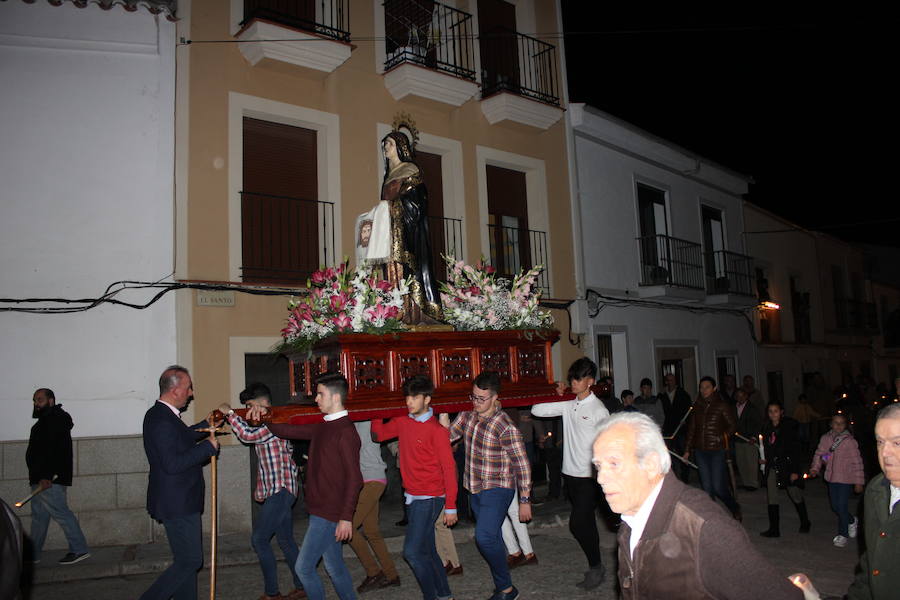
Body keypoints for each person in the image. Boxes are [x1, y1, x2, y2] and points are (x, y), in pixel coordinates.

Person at [591, 412, 803, 600]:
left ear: (651, 464)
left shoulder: (704, 528)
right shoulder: (630, 520)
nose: (600, 478)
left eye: (614, 464)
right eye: (598, 466)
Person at [267, 373, 362, 600]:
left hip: (329, 513)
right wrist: (264, 417)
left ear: (336, 396)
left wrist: (346, 517)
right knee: (334, 567)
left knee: (304, 568)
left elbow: (354, 478)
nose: (316, 399)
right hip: (320, 509)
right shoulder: (324, 426)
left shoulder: (346, 432)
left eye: (320, 394)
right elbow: (286, 431)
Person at [442, 372, 531, 600]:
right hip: (474, 487)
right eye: (473, 397)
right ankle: (504, 580)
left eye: (481, 398)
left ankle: (507, 589)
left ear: (495, 398)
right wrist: (442, 415)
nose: (476, 402)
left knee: (483, 537)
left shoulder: (505, 426)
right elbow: (447, 437)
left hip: (498, 487)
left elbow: (522, 466)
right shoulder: (468, 416)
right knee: (491, 537)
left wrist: (524, 501)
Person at [371, 375, 457, 600]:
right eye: (407, 396)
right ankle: (445, 595)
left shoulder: (437, 430)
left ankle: (432, 596)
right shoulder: (402, 421)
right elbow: (377, 434)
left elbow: (449, 469)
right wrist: (377, 409)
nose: (409, 401)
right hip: (413, 496)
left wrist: (451, 506)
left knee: (412, 552)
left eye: (415, 397)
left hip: (430, 497)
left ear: (427, 399)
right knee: (427, 550)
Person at [217, 383, 305, 600]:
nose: (247, 409)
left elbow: (247, 436)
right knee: (285, 541)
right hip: (279, 489)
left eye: (249, 405)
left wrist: (229, 413)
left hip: (281, 489)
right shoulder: (266, 422)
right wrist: (261, 490)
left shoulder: (273, 421)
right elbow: (263, 456)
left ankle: (272, 593)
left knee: (259, 539)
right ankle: (302, 586)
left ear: (260, 403)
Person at [531, 358, 609, 590]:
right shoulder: (568, 403)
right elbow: (537, 410)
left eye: (578, 378)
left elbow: (607, 441)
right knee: (586, 522)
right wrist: (557, 393)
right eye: (572, 378)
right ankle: (597, 565)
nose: (573, 382)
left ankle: (596, 566)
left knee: (577, 523)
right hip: (570, 474)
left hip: (589, 476)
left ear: (590, 381)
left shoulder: (598, 409)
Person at [141, 366, 219, 600]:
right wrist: (208, 448)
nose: (192, 393)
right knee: (191, 560)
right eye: (188, 388)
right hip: (177, 501)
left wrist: (205, 425)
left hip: (179, 499)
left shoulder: (162, 415)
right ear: (175, 390)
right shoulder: (161, 420)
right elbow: (172, 463)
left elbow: (181, 437)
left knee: (185, 560)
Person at [357, 127, 442, 323]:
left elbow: (418, 201)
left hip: (406, 231)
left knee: (407, 268)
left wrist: (394, 207)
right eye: (385, 144)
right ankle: (396, 311)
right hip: (389, 230)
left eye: (390, 144)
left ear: (400, 147)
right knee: (391, 268)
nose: (385, 147)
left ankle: (413, 312)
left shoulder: (410, 170)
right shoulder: (389, 175)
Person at [25, 388, 90, 566]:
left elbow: (53, 452)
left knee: (61, 513)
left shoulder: (54, 421)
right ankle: (33, 553)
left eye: (39, 400)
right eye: (34, 400)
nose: (36, 404)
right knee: (39, 517)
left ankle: (79, 548)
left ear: (51, 401)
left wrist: (46, 476)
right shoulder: (46, 422)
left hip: (48, 480)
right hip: (41, 478)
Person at [847, 403, 900, 599]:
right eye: (880, 442)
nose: (885, 453)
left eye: (897, 443)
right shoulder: (876, 490)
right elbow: (871, 562)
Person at [347, 419, 401, 594]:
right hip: (370, 479)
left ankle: (374, 572)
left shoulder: (365, 419)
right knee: (371, 531)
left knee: (348, 528)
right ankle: (392, 575)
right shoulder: (356, 420)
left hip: (372, 480)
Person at [683, 376, 742, 520]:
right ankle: (714, 519)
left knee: (718, 487)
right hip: (700, 451)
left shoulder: (721, 405)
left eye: (707, 387)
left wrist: (721, 437)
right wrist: (687, 450)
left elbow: (733, 426)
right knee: (707, 488)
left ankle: (734, 507)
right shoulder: (696, 406)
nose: (704, 390)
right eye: (701, 387)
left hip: (717, 450)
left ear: (714, 388)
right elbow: (692, 429)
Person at [808, 412, 865, 547]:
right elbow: (821, 454)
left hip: (846, 478)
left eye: (841, 423)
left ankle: (842, 534)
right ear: (830, 424)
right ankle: (851, 520)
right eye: (835, 423)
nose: (838, 426)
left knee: (841, 506)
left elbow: (857, 462)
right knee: (835, 506)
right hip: (832, 478)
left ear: (846, 425)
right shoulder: (825, 439)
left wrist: (859, 482)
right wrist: (815, 468)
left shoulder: (849, 441)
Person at [759, 401, 811, 537]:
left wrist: (794, 470)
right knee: (772, 496)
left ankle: (805, 521)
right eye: (770, 411)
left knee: (794, 493)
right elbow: (766, 447)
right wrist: (764, 459)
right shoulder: (767, 428)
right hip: (772, 466)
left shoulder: (788, 428)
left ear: (781, 412)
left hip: (786, 466)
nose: (773, 414)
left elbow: (795, 450)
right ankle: (774, 529)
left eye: (775, 411)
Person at [659, 374, 693, 483]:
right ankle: (673, 479)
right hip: (668, 431)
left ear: (675, 381)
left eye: (672, 380)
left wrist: (685, 422)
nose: (670, 382)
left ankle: (685, 478)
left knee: (683, 453)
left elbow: (689, 411)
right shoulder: (663, 397)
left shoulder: (683, 395)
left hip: (681, 430)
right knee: (669, 455)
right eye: (668, 380)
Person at [734, 388, 763, 491]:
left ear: (746, 396)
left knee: (751, 462)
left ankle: (753, 483)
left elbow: (758, 423)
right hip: (738, 439)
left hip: (749, 439)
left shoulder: (752, 408)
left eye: (742, 395)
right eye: (738, 396)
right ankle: (746, 482)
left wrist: (754, 437)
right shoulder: (734, 407)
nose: (740, 398)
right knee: (741, 462)